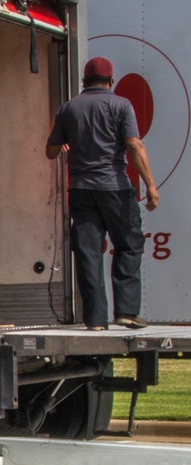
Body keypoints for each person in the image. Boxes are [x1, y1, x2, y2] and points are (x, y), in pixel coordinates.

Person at [46, 56, 160, 331]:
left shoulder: (68, 108)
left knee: (88, 253)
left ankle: (95, 320)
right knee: (129, 245)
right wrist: (150, 186)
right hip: (115, 188)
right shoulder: (120, 104)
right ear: (111, 81)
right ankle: (126, 312)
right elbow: (134, 145)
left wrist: (63, 146)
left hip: (81, 190)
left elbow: (51, 150)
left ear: (84, 81)